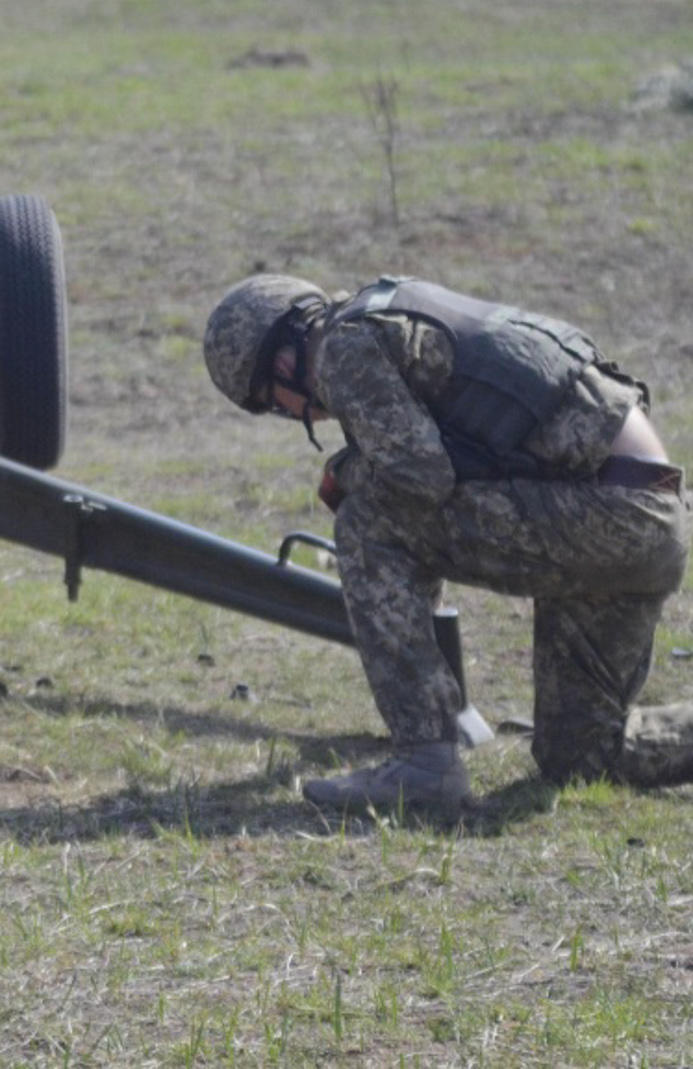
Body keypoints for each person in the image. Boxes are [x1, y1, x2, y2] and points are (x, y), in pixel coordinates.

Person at [204, 273, 692, 812]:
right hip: (645, 517)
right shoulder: (392, 313)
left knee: (367, 522)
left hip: (602, 516)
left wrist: (346, 474)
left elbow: (419, 476)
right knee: (579, 754)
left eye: (268, 403)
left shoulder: (342, 349)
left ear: (281, 363)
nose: (290, 414)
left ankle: (424, 761)